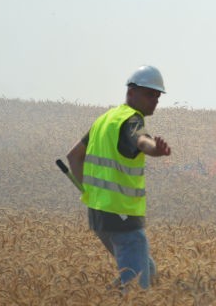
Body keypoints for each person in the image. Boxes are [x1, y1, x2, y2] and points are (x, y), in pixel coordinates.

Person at [65, 65, 172, 289]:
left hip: (99, 216)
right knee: (136, 287)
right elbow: (141, 141)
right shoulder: (131, 120)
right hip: (123, 217)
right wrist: (155, 149)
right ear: (131, 92)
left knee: (146, 271)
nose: (155, 100)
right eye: (149, 94)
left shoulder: (105, 119)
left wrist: (90, 193)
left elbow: (74, 156)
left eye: (157, 95)